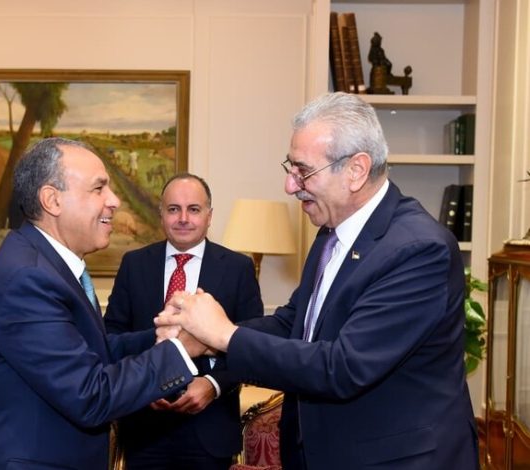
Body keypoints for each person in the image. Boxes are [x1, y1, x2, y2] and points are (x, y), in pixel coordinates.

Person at [156, 92, 479, 469]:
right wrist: (207, 340)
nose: (290, 186)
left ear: (356, 170)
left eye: (303, 171)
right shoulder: (331, 232)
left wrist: (225, 334)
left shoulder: (419, 249)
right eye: (290, 168)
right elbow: (293, 323)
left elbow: (344, 367)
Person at [0, 137, 198, 469]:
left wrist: (165, 335)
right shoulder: (27, 279)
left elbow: (92, 351)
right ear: (52, 200)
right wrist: (181, 349)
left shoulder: (49, 265)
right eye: (99, 188)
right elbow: (90, 395)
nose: (114, 201)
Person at [104, 173, 264, 470]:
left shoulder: (238, 268)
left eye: (194, 209)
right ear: (161, 214)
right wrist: (144, 382)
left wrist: (213, 385)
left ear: (209, 216)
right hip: (144, 430)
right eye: (173, 209)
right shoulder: (134, 264)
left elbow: (250, 344)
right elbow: (112, 336)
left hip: (210, 429)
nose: (183, 218)